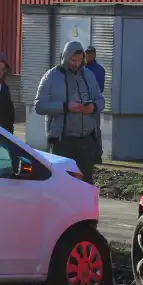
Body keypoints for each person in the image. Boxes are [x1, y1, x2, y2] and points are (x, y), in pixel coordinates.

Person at [34, 41, 104, 184]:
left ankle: (85, 207)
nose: (76, 63)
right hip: (61, 141)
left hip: (85, 141)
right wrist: (65, 107)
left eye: (79, 60)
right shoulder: (51, 77)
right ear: (65, 57)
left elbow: (101, 99)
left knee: (85, 183)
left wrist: (94, 107)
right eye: (73, 60)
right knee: (61, 183)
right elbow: (39, 105)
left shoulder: (89, 76)